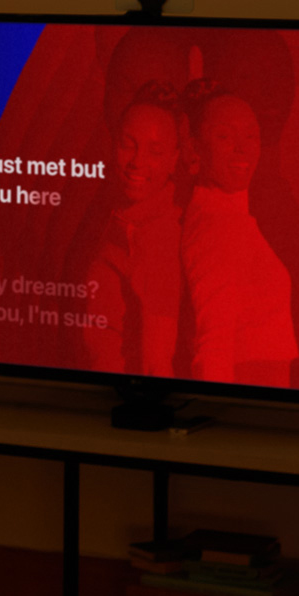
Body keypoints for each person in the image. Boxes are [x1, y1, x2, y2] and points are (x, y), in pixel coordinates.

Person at [179, 79, 299, 387]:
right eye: (224, 136)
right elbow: (212, 348)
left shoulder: (229, 218)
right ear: (195, 147)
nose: (242, 147)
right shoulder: (215, 227)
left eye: (251, 135)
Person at [77, 81, 186, 377]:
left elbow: (157, 362)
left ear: (174, 159)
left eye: (155, 151)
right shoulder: (124, 220)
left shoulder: (160, 235)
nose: (137, 161)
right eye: (128, 144)